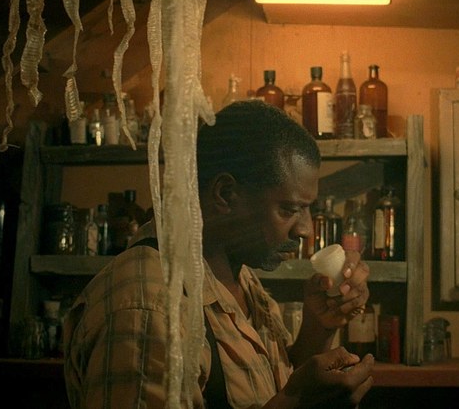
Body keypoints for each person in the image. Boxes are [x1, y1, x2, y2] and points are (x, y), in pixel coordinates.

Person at [63, 100, 374, 408]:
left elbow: (269, 389)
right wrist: (298, 404)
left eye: (308, 209)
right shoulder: (150, 306)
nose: (305, 230)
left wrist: (319, 327)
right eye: (289, 209)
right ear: (225, 194)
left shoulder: (238, 276)